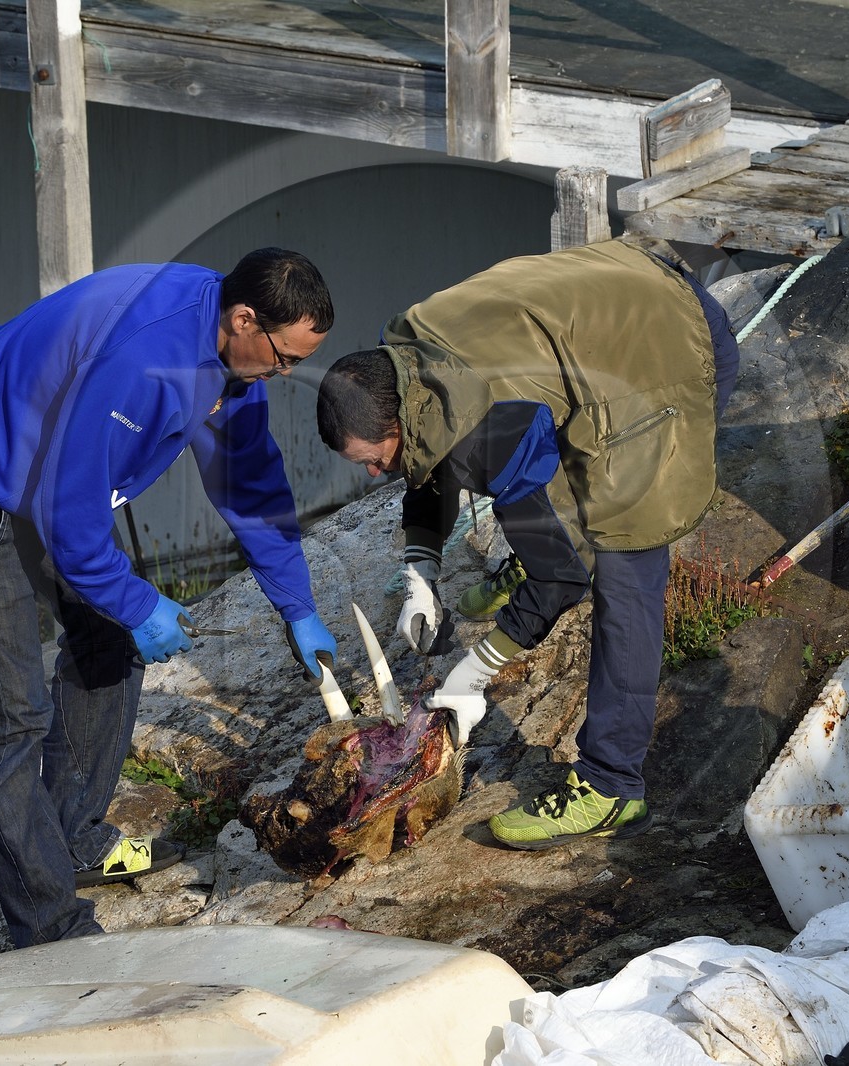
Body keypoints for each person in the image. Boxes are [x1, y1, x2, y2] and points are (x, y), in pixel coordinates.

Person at [0, 248, 339, 947]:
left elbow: (251, 486)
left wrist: (298, 605)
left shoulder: (233, 358)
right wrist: (136, 602)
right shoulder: (144, 363)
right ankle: (50, 931)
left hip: (40, 466)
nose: (283, 375)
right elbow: (72, 520)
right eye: (283, 358)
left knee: (106, 640)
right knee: (13, 713)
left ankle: (72, 838)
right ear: (244, 316)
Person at [315, 237, 738, 851]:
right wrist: (420, 570)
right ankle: (530, 545)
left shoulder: (491, 422)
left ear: (394, 423)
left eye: (374, 460)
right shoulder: (410, 358)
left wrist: (474, 672)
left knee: (624, 561)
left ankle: (612, 784)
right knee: (547, 484)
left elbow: (562, 580)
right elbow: (430, 453)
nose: (374, 474)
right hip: (618, 301)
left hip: (669, 349)